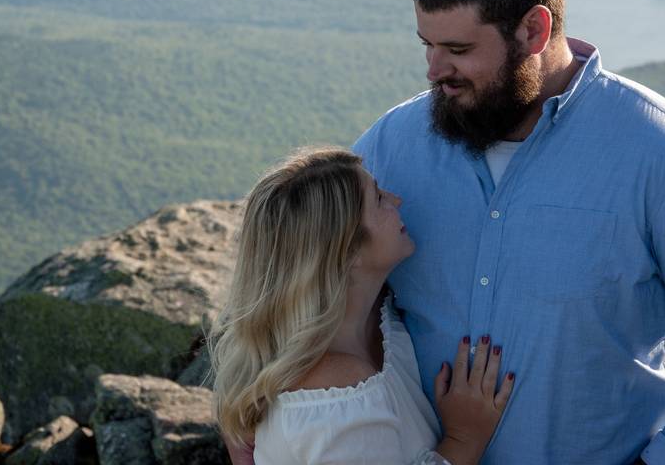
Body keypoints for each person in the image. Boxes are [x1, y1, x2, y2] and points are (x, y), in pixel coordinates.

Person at [353, 0, 665, 463]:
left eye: (457, 48)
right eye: (427, 45)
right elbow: (305, 286)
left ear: (534, 31)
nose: (434, 71)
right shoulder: (391, 146)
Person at [209, 147, 514, 465]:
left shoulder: (373, 316)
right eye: (379, 199)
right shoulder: (336, 396)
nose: (397, 199)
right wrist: (463, 438)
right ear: (346, 252)